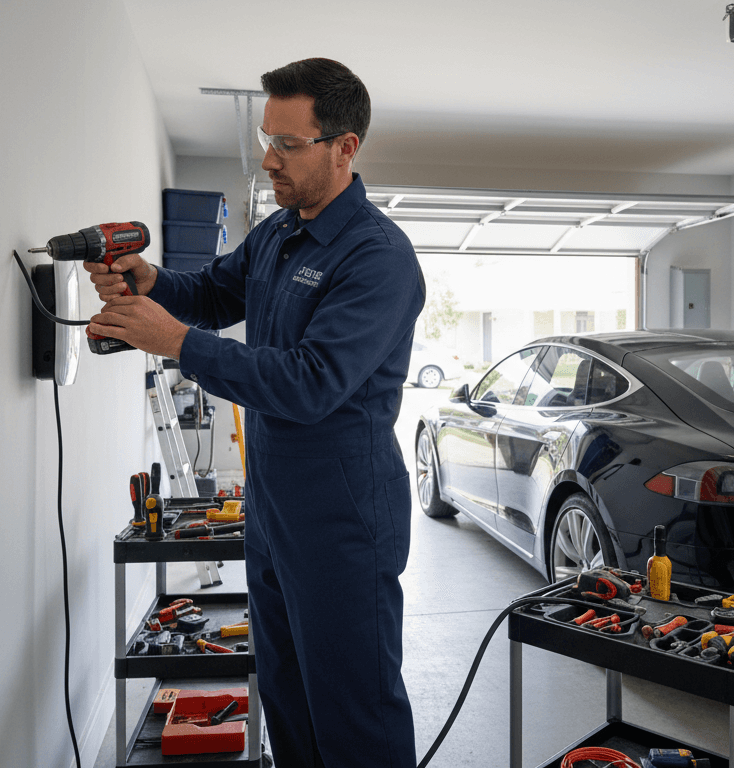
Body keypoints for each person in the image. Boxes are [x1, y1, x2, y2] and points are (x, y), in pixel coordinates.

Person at [85, 58, 423, 768]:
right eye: (267, 137)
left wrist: (175, 341)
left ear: (344, 148)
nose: (269, 159)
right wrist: (151, 282)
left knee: (353, 713)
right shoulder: (277, 234)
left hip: (343, 519)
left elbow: (310, 383)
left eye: (288, 144)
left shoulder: (378, 258)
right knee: (289, 700)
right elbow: (211, 292)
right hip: (271, 514)